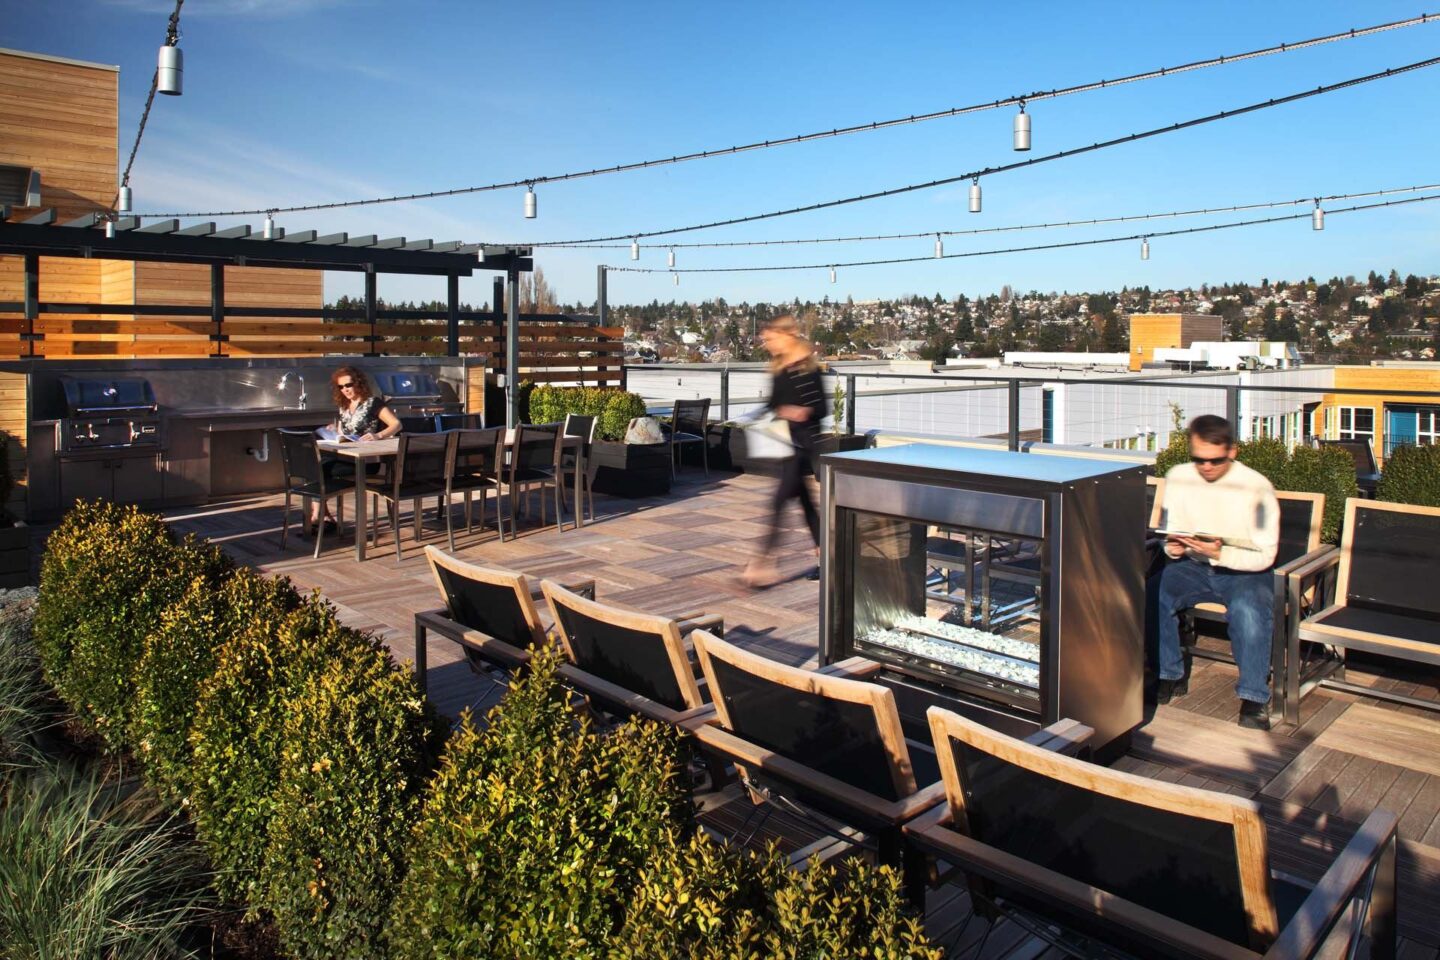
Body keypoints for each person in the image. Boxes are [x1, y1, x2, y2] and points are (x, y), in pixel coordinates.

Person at [1151, 415, 1280, 729]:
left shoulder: (1257, 487)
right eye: (1198, 459)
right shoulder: (1179, 476)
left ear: (1232, 451)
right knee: (1153, 593)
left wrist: (1221, 552)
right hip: (1193, 565)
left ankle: (1254, 696)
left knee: (1248, 610)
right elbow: (1172, 532)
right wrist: (1174, 548)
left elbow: (1266, 554)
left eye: (1215, 460)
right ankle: (1169, 673)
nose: (1206, 467)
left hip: (1244, 570)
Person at [742, 315, 828, 588]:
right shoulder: (778, 368)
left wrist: (802, 411)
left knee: (779, 501)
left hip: (804, 445)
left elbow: (822, 409)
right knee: (805, 504)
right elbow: (772, 404)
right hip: (785, 443)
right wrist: (756, 417)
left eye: (770, 338)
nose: (767, 344)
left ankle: (763, 564)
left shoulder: (807, 368)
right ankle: (826, 555)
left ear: (786, 335)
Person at [310, 367, 401, 533]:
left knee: (320, 468)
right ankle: (322, 515)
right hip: (347, 454)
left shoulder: (373, 403)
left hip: (367, 459)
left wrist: (378, 435)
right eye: (341, 387)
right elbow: (347, 432)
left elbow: (396, 424)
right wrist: (334, 431)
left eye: (348, 385)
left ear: (358, 384)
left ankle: (320, 515)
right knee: (315, 465)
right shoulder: (344, 406)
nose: (345, 389)